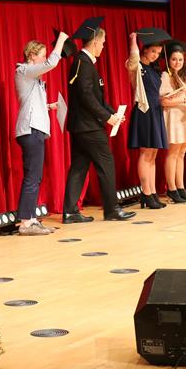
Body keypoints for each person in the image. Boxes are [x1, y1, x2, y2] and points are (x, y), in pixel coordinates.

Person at [61, 17, 134, 223]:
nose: (103, 46)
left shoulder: (83, 63)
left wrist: (112, 113)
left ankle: (70, 211)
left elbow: (97, 98)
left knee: (79, 167)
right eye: (102, 42)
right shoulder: (83, 63)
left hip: (81, 126)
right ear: (94, 43)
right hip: (88, 126)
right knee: (106, 163)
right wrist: (107, 117)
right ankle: (111, 209)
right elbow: (86, 97)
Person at [13, 32, 69, 235]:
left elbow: (31, 104)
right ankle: (26, 223)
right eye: (42, 55)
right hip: (30, 129)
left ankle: (31, 219)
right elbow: (51, 64)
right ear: (32, 55)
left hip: (35, 129)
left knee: (35, 177)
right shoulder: (24, 70)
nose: (45, 59)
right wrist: (61, 41)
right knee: (32, 176)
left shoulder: (34, 79)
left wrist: (49, 106)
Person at [126, 28, 170, 209]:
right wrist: (133, 41)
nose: (155, 55)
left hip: (156, 111)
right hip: (144, 111)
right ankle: (145, 192)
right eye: (153, 51)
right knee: (145, 153)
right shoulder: (136, 67)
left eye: (158, 53)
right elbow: (133, 59)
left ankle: (152, 192)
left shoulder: (153, 69)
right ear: (144, 49)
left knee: (153, 154)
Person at [158, 40, 186, 204]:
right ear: (168, 60)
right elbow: (164, 101)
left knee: (181, 154)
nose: (177, 62)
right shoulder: (165, 76)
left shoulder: (182, 76)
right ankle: (172, 188)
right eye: (174, 59)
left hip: (184, 115)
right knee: (173, 154)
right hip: (173, 116)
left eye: (180, 59)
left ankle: (180, 187)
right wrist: (184, 101)